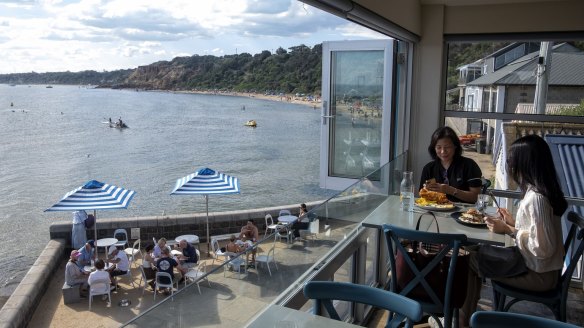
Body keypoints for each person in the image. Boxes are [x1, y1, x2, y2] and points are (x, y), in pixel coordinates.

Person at [459, 135, 567, 327]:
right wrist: (514, 223)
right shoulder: (542, 192)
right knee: (473, 253)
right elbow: (539, 237)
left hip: (538, 276)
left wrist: (509, 229)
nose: (511, 167)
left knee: (469, 260)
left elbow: (543, 249)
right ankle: (466, 318)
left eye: (512, 162)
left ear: (524, 164)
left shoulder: (537, 199)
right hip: (540, 269)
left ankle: (462, 321)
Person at [419, 126, 483, 203]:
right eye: (439, 147)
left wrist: (451, 190)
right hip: (435, 211)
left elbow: (477, 197)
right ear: (434, 148)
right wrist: (426, 191)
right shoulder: (428, 168)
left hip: (463, 213)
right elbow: (422, 195)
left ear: (455, 146)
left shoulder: (469, 165)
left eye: (447, 147)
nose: (443, 151)